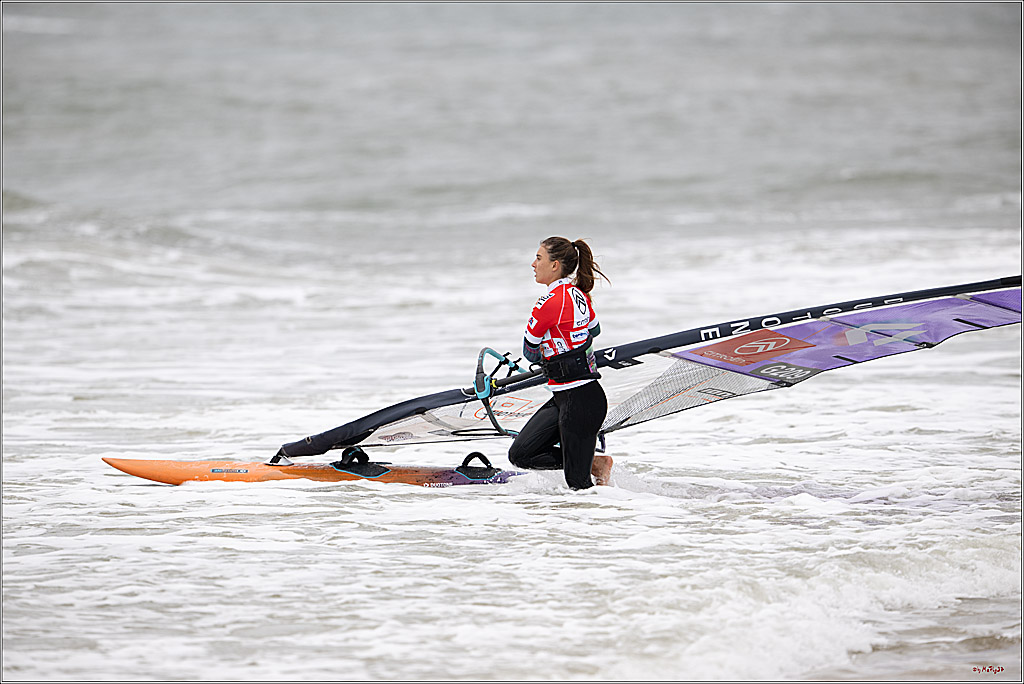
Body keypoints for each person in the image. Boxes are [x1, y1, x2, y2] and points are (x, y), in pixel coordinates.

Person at [507, 237, 613, 489]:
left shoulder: (548, 303)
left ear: (555, 265)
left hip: (580, 399)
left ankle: (596, 515)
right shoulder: (581, 296)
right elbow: (594, 331)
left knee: (577, 486)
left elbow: (530, 353)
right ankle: (594, 464)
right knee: (521, 454)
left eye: (539, 258)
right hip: (564, 396)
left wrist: (551, 346)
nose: (533, 264)